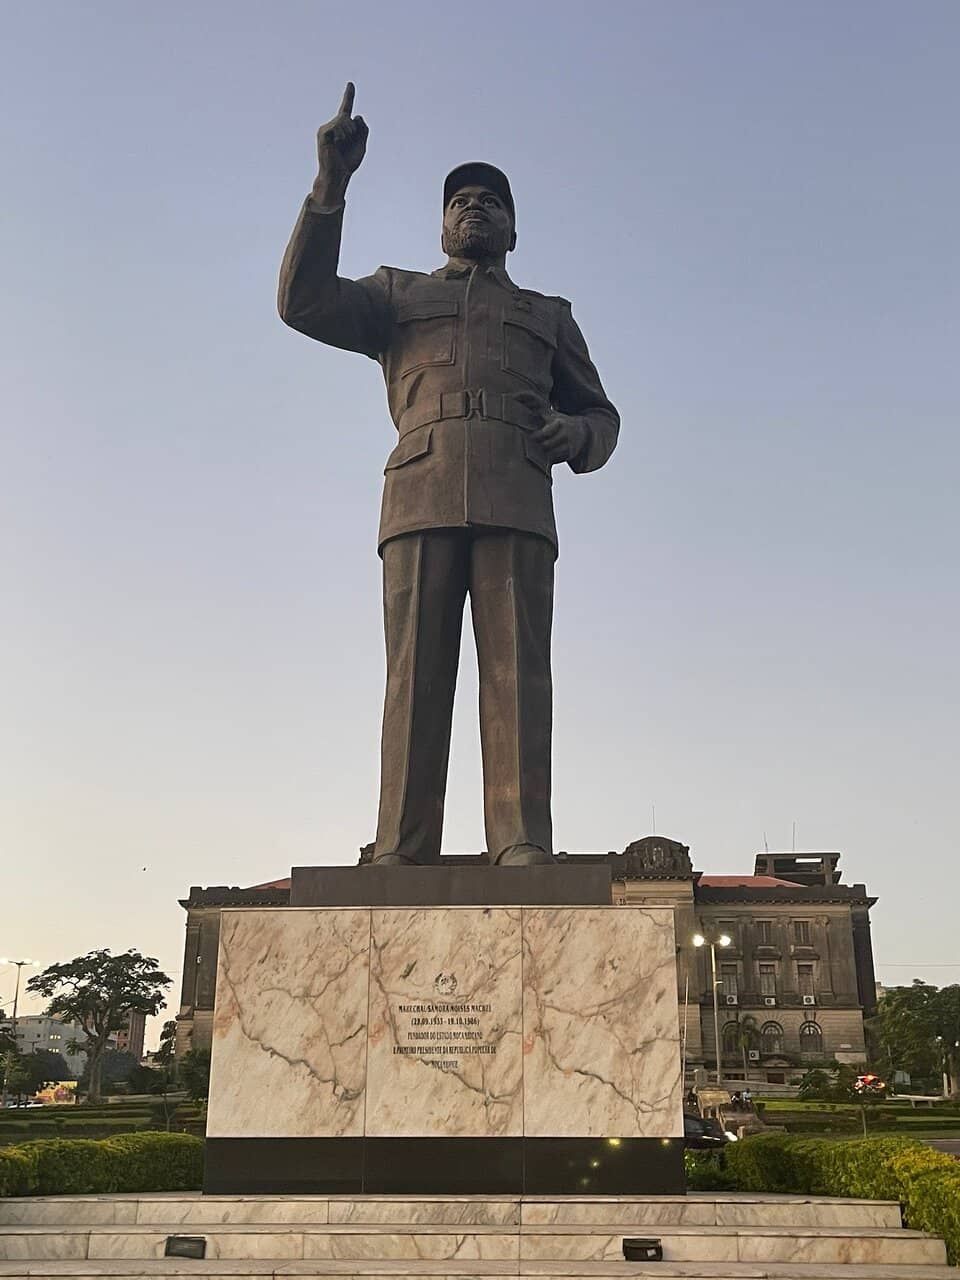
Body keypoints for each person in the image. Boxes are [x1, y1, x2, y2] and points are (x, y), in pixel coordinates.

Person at [278, 85, 619, 867]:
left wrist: (576, 433)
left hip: (518, 490)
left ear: (513, 230)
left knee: (518, 674)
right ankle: (401, 845)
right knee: (414, 676)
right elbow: (302, 302)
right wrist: (331, 184)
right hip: (422, 489)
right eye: (460, 202)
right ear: (441, 225)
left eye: (490, 202)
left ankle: (521, 839)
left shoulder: (550, 314)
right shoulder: (398, 295)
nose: (474, 209)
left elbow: (602, 416)